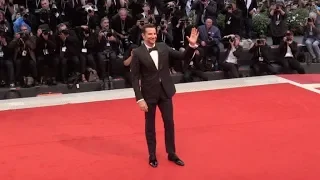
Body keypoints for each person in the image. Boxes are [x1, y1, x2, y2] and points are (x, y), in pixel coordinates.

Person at [130, 23, 199, 168]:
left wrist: (191, 46)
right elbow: (135, 77)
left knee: (169, 123)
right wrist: (139, 98)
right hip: (148, 94)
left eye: (154, 33)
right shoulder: (137, 53)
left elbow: (181, 56)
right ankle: (152, 155)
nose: (153, 36)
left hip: (166, 91)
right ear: (143, 36)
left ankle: (172, 153)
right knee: (150, 126)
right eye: (149, 34)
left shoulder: (163, 47)